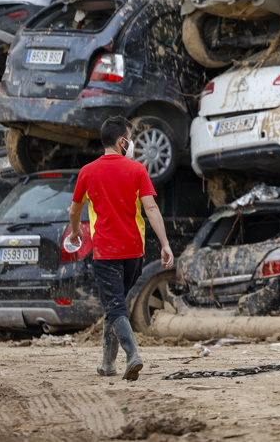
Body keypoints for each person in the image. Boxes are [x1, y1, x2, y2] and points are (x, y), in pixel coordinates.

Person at [68, 115, 174, 381]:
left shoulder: (88, 172)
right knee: (115, 305)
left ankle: (133, 355)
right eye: (130, 137)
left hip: (105, 252)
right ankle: (107, 364)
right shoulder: (137, 170)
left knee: (115, 307)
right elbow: (151, 208)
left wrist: (76, 231)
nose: (132, 143)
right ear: (121, 141)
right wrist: (165, 244)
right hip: (134, 253)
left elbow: (74, 209)